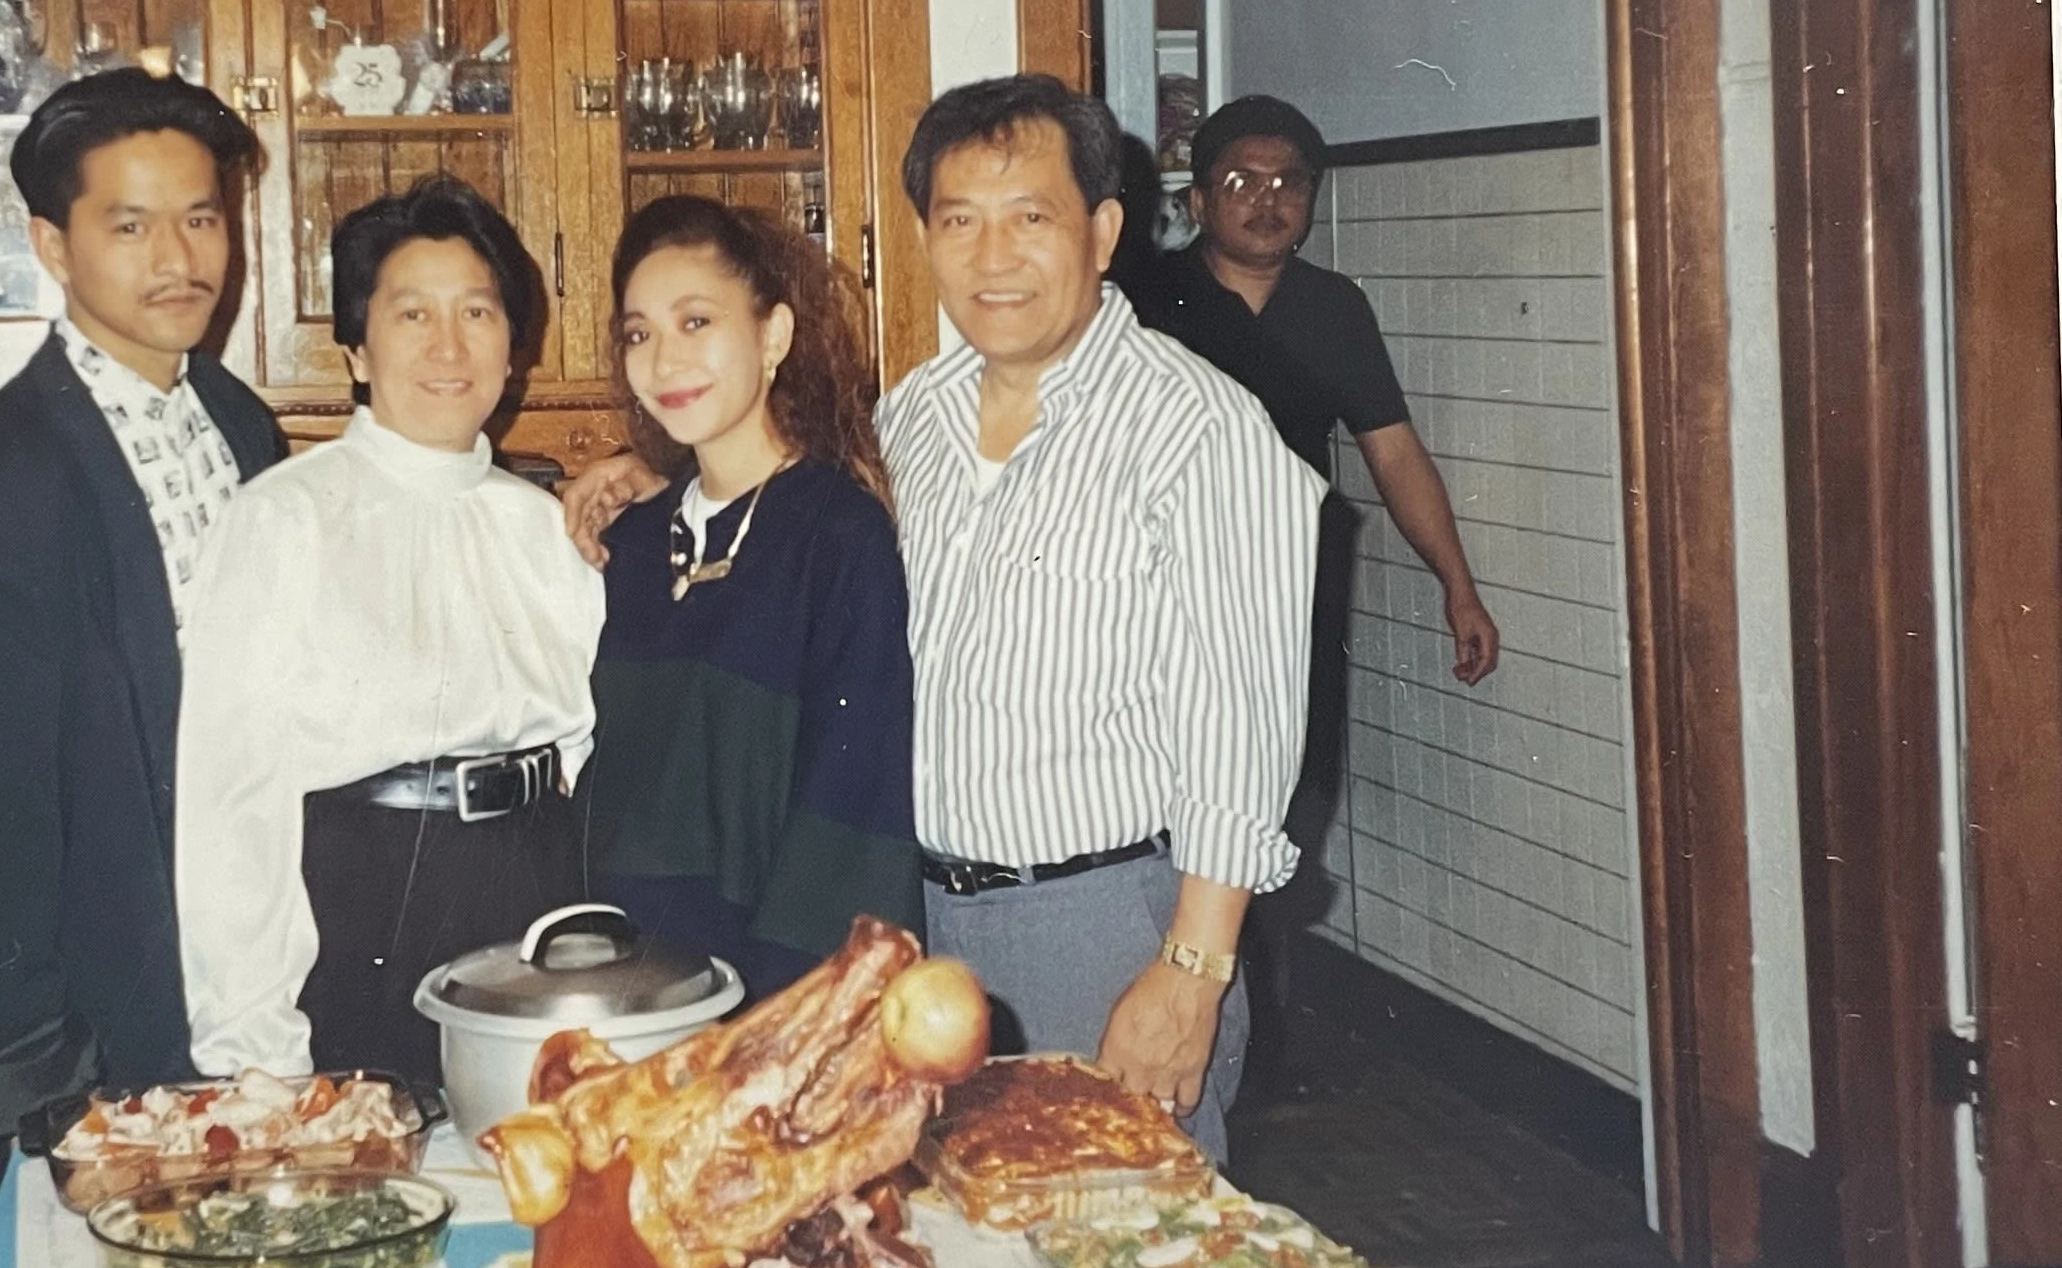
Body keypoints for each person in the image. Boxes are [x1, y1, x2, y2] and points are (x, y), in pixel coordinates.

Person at [566, 77, 1321, 1163]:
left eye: (1032, 216)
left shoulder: (1200, 428)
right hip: (919, 929)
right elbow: (774, 488)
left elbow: (1242, 726)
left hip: (1106, 930)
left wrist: (1190, 973)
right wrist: (651, 468)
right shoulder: (913, 415)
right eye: (960, 220)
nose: (993, 254)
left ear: (1105, 230)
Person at [0, 68, 287, 1239]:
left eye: (202, 217)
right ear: (52, 245)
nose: (180, 256)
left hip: (244, 996)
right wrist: (43, 1107)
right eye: (131, 223)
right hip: (106, 1048)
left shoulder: (237, 422)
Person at [172, 176, 604, 1086]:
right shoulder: (284, 520)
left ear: (513, 346)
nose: (449, 346)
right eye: (412, 314)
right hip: (363, 899)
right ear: (359, 349)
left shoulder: (547, 526)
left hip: (536, 892)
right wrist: (255, 1050)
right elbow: (230, 804)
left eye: (477, 313)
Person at [577, 195, 921, 1000]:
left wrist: (774, 1023)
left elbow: (853, 800)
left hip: (768, 995)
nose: (664, 361)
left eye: (696, 322)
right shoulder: (630, 543)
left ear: (773, 336)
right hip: (625, 988)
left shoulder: (837, 534)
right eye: (639, 333)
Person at [1115, 93, 1500, 689]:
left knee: (1296, 768)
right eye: (1243, 182)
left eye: (1288, 184)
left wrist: (1459, 588)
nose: (1269, 201)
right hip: (1160, 586)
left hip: (1293, 582)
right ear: (1199, 201)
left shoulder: (1333, 307)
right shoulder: (1145, 302)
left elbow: (1394, 454)